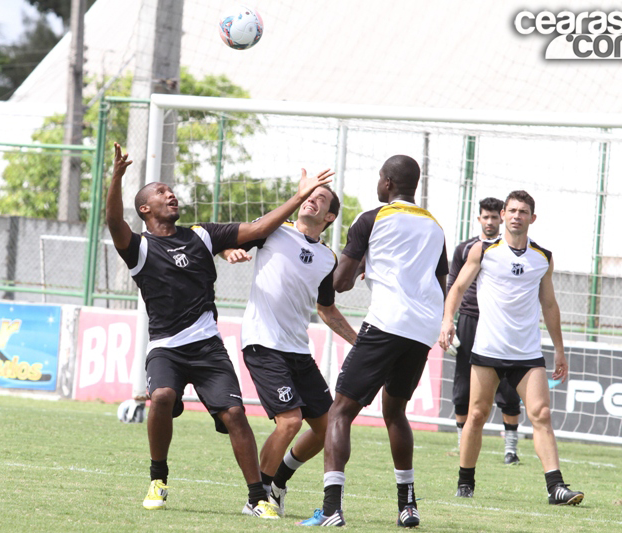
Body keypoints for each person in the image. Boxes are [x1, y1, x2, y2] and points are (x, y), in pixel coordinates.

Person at [106, 142, 334, 518]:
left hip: (208, 348)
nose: (171, 194)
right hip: (165, 348)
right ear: (144, 209)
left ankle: (257, 498)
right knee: (161, 396)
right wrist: (117, 177)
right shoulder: (139, 248)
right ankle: (158, 479)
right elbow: (115, 222)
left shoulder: (201, 234)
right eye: (161, 192)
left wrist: (298, 198)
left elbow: (258, 228)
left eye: (171, 190)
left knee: (235, 414)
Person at [300, 155, 448, 528]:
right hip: (423, 329)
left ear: (387, 183)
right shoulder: (435, 226)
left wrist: (362, 262)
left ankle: (332, 508)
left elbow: (340, 282)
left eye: (380, 178)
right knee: (395, 412)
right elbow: (439, 281)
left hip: (386, 322)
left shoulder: (372, 219)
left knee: (340, 411)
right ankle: (407, 506)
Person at [221, 184, 359, 518]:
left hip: (298, 350)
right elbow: (226, 241)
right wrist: (229, 253)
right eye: (309, 194)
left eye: (320, 198)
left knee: (328, 429)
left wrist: (360, 342)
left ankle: (279, 482)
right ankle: (257, 498)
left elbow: (326, 309)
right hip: (263, 342)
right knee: (290, 421)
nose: (311, 199)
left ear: (329, 217)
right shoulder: (273, 230)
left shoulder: (328, 258)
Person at [439, 190, 584, 505]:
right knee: (477, 415)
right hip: (488, 351)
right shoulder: (483, 250)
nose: (517, 216)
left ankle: (556, 488)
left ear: (533, 218)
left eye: (523, 211)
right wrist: (447, 320)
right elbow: (458, 287)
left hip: (527, 353)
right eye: (513, 210)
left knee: (541, 414)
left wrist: (559, 350)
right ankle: (465, 482)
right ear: (503, 214)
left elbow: (549, 304)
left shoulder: (542, 257)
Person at [447, 197, 522, 464]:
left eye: (493, 217)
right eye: (485, 217)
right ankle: (462, 444)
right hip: (470, 320)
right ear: (478, 219)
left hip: (502, 323)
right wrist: (448, 322)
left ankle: (511, 449)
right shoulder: (465, 249)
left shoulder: (513, 250)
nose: (489, 222)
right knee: (463, 385)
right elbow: (453, 286)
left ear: (501, 218)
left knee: (508, 386)